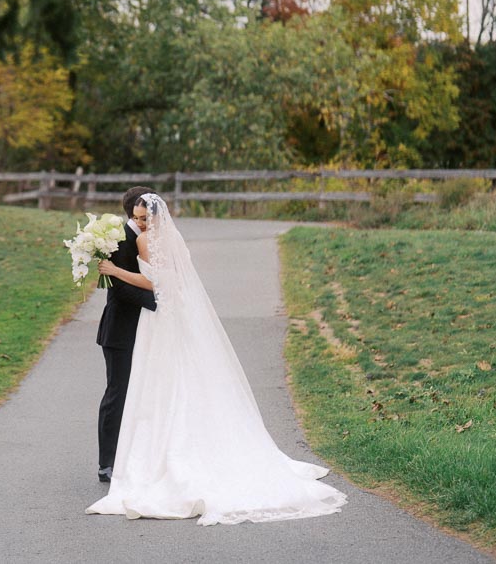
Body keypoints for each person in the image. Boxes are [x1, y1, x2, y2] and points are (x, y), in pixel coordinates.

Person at [88, 193, 347, 525]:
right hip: (172, 315)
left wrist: (112, 270)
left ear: (154, 217)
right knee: (176, 381)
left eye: (143, 218)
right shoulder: (172, 237)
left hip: (160, 317)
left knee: (160, 385)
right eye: (137, 218)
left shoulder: (145, 243)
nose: (140, 223)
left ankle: (158, 455)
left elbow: (156, 282)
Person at [95, 186, 157, 483]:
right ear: (134, 210)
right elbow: (118, 289)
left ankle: (135, 455)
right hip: (120, 329)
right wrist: (157, 303)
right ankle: (107, 462)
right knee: (117, 393)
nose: (147, 220)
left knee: (144, 393)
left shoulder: (150, 236)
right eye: (143, 215)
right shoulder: (118, 240)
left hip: (147, 329)